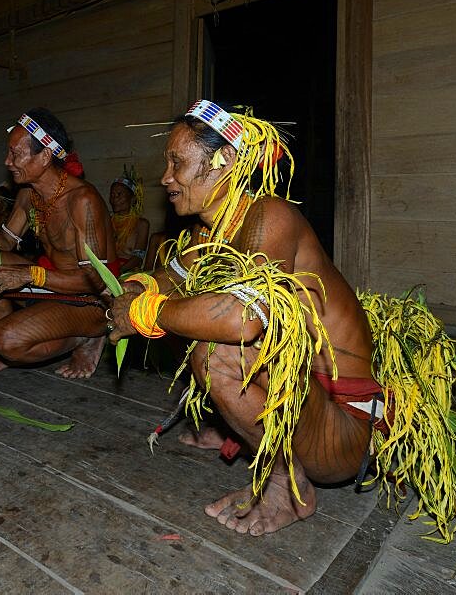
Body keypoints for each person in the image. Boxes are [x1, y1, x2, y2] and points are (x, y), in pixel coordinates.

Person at [107, 100, 378, 535]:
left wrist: (144, 311)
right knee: (185, 317)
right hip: (304, 406)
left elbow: (244, 319)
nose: (166, 178)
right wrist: (137, 289)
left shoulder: (271, 216)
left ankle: (284, 484)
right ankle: (237, 424)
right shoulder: (204, 232)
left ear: (225, 160)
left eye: (177, 162)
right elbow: (168, 277)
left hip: (344, 430)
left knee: (217, 352)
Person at [0, 108, 115, 378]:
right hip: (49, 288)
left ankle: (87, 336)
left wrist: (31, 274)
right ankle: (19, 342)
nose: (7, 161)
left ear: (45, 156)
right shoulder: (28, 194)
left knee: (3, 340)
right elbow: (5, 239)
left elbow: (96, 280)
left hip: (90, 301)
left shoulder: (82, 200)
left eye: (16, 154)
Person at [109, 166, 150, 274]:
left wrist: (118, 272)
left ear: (132, 199)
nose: (114, 199)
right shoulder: (107, 221)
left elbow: (138, 258)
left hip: (127, 273)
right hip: (108, 271)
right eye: (112, 195)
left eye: (119, 194)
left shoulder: (141, 224)